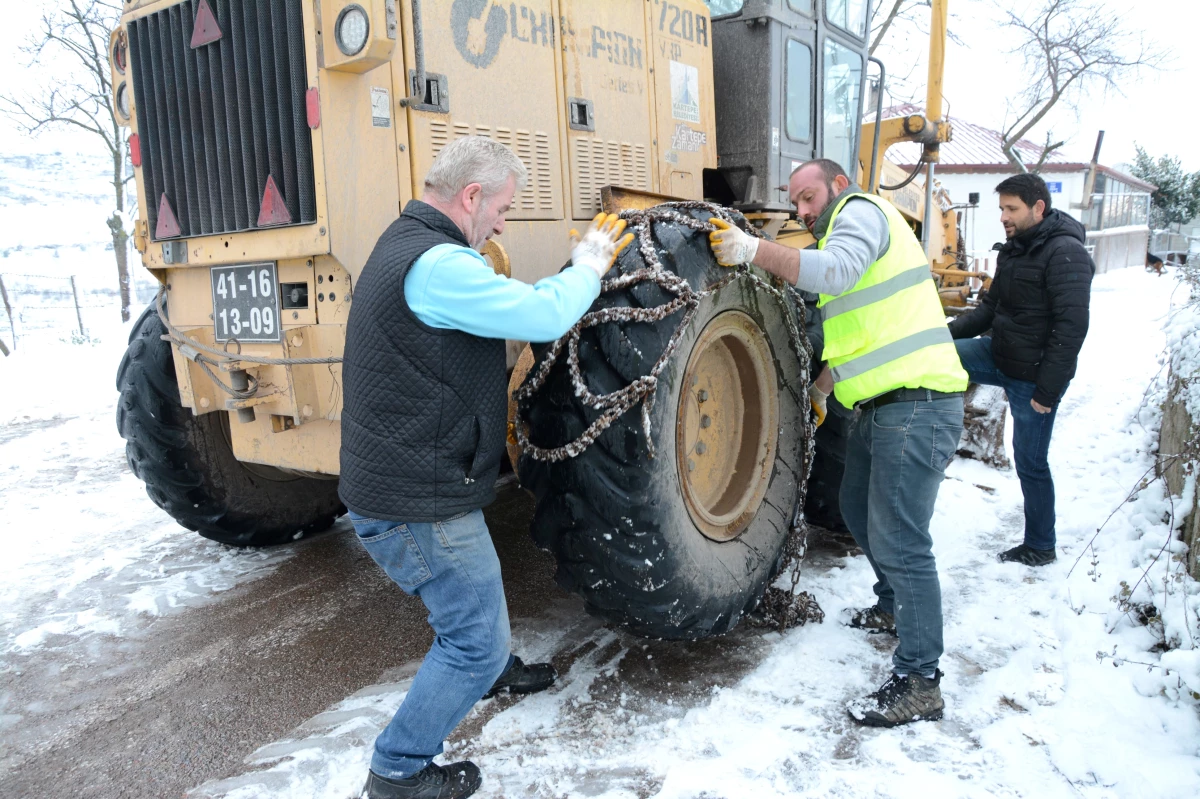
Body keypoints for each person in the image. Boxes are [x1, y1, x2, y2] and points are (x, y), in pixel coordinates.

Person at [339, 136, 633, 799]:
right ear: (471, 196)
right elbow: (546, 313)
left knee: (479, 587)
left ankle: (492, 667)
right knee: (469, 633)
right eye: (502, 207)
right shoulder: (440, 265)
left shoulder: (404, 238)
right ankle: (399, 766)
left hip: (413, 474)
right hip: (416, 496)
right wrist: (589, 259)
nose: (504, 222)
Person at [707, 159, 968, 728]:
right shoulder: (845, 222)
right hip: (882, 405)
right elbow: (863, 336)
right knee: (854, 508)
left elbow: (836, 273)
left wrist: (752, 250)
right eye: (795, 202)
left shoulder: (862, 213)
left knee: (902, 541)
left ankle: (921, 680)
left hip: (919, 406)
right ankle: (891, 605)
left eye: (808, 197)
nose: (802, 211)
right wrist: (824, 388)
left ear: (839, 186)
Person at [949, 173, 1093, 567]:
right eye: (1001, 209)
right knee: (937, 355)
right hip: (998, 354)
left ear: (1038, 208)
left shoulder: (1066, 253)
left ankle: (1041, 546)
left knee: (1030, 462)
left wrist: (1046, 392)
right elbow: (990, 310)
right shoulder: (1013, 249)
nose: (1003, 217)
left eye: (1011, 209)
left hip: (1033, 377)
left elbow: (1071, 328)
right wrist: (941, 337)